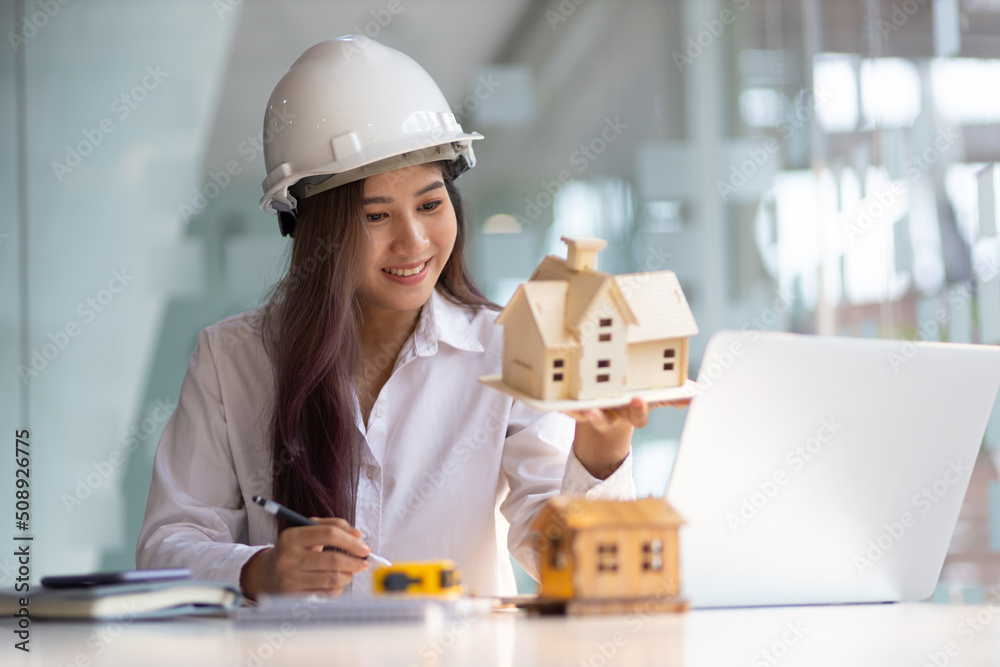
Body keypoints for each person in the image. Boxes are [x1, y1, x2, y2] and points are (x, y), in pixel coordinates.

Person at [136, 36, 664, 599]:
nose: (413, 241)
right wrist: (260, 569)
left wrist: (601, 452)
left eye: (431, 204)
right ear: (316, 231)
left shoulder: (505, 348)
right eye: (376, 215)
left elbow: (567, 565)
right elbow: (167, 545)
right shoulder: (232, 360)